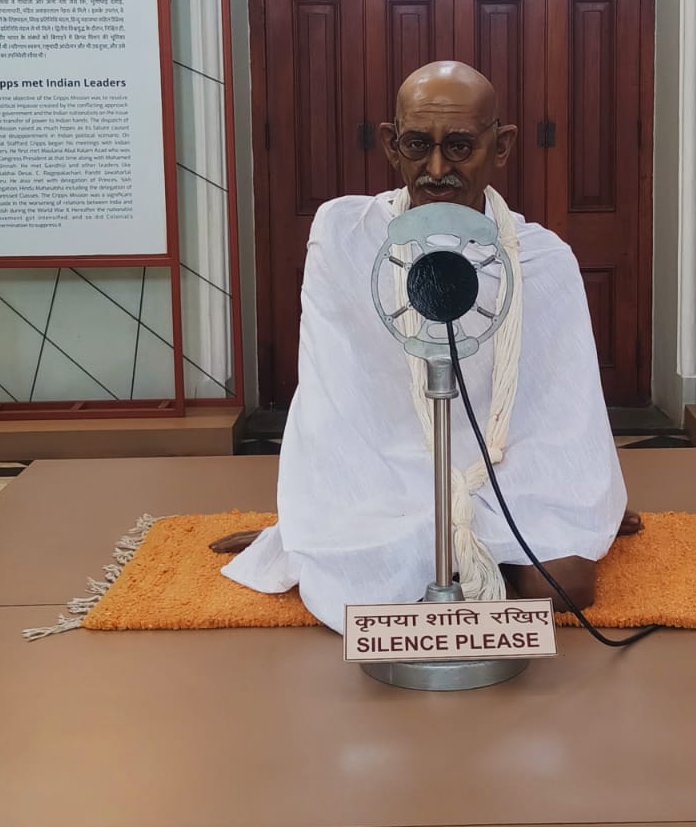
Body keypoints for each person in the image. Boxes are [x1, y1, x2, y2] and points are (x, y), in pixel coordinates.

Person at [215, 61, 638, 631]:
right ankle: (458, 545)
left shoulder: (542, 260)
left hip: (509, 469)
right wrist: (312, 515)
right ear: (391, 144)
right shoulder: (346, 236)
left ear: (502, 146)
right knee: (361, 580)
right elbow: (331, 399)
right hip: (390, 472)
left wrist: (574, 497)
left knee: (564, 587)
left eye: (460, 146)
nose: (437, 169)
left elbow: (564, 411)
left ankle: (491, 539)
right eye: (418, 145)